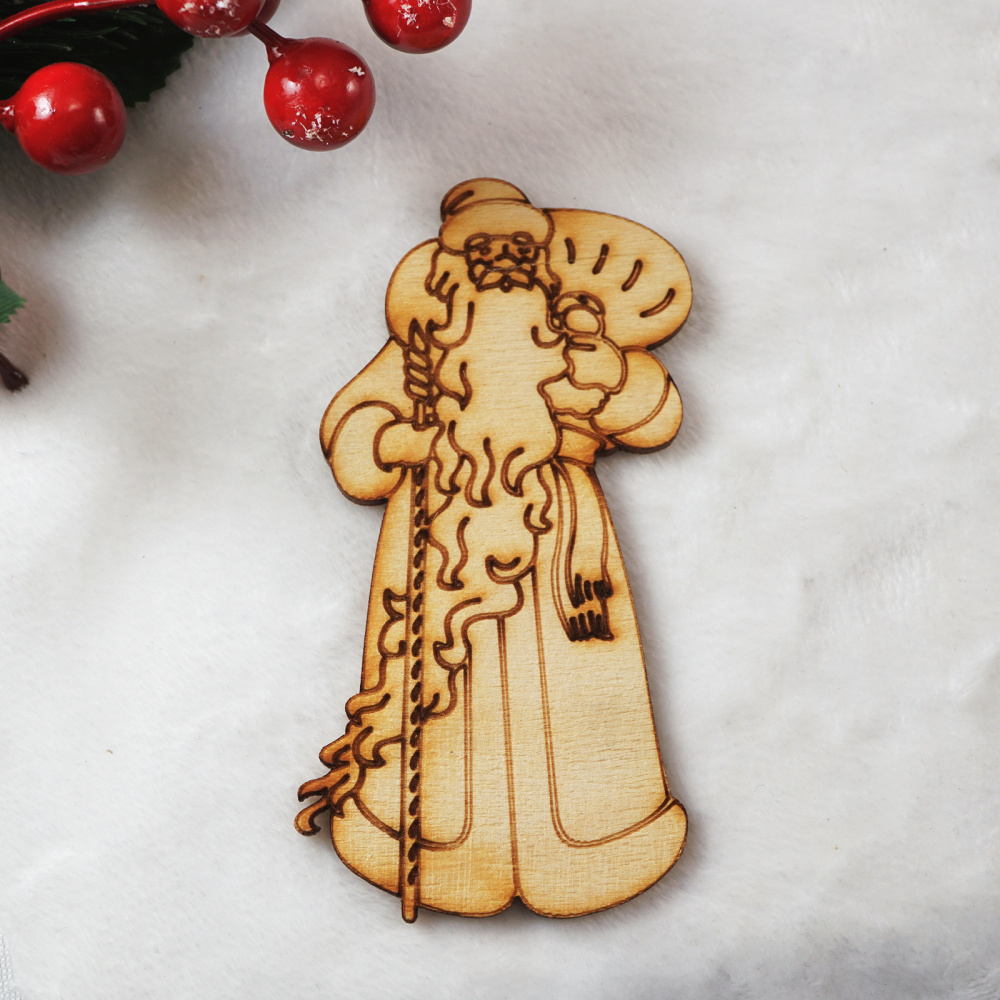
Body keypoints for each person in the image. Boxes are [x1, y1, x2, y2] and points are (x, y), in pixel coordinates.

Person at [296, 178, 693, 919]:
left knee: (579, 700)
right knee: (440, 700)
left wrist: (606, 372)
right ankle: (433, 847)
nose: (501, 262)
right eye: (482, 249)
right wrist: (402, 441)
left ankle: (596, 842)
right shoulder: (424, 352)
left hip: (557, 540)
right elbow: (355, 434)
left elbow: (655, 414)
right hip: (442, 531)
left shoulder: (573, 339)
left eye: (516, 248)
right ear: (450, 267)